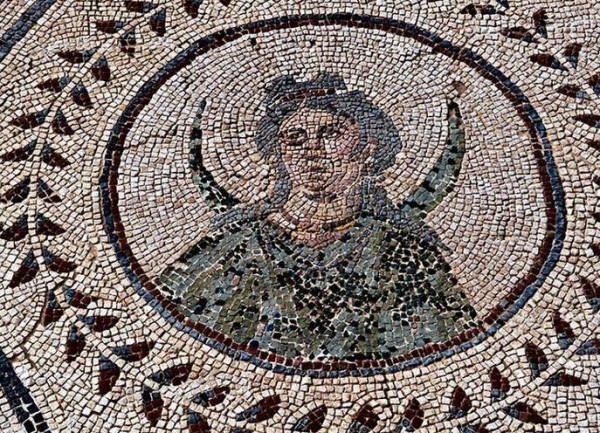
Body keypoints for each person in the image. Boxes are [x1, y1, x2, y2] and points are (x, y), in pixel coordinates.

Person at [159, 74, 478, 360]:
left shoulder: (405, 253)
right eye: (294, 138)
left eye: (331, 133)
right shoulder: (232, 249)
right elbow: (181, 345)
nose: (311, 149)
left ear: (368, 147)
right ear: (277, 156)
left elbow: (446, 353)